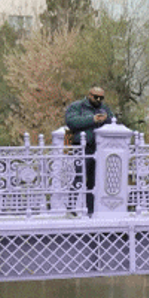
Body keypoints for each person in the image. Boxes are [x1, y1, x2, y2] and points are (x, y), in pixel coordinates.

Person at [64, 86, 114, 216]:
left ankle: (91, 210)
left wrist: (106, 119)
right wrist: (92, 119)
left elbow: (113, 121)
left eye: (101, 98)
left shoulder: (104, 108)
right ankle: (70, 207)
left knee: (94, 180)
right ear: (89, 95)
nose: (98, 100)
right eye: (95, 97)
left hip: (98, 149)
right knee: (79, 177)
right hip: (81, 147)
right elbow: (71, 122)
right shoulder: (77, 107)